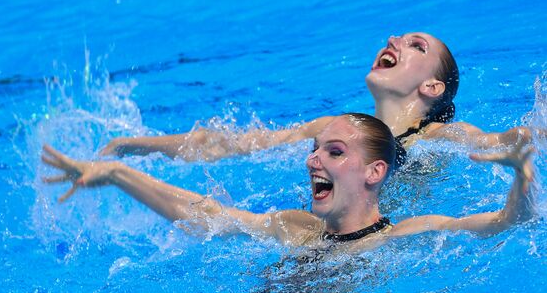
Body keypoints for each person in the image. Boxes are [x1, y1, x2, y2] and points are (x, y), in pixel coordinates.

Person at [41, 113, 535, 252]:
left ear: (374, 173)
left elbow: (504, 223)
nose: (313, 160)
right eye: (315, 149)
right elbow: (207, 217)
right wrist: (118, 173)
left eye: (334, 152)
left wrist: (522, 176)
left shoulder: (406, 235)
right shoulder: (294, 228)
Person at [99, 32, 534, 166]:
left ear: (432, 88)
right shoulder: (334, 128)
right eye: (398, 36)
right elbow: (229, 143)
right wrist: (132, 144)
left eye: (415, 45)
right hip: (315, 245)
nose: (395, 40)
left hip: (377, 262)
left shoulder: (442, 135)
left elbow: (509, 140)